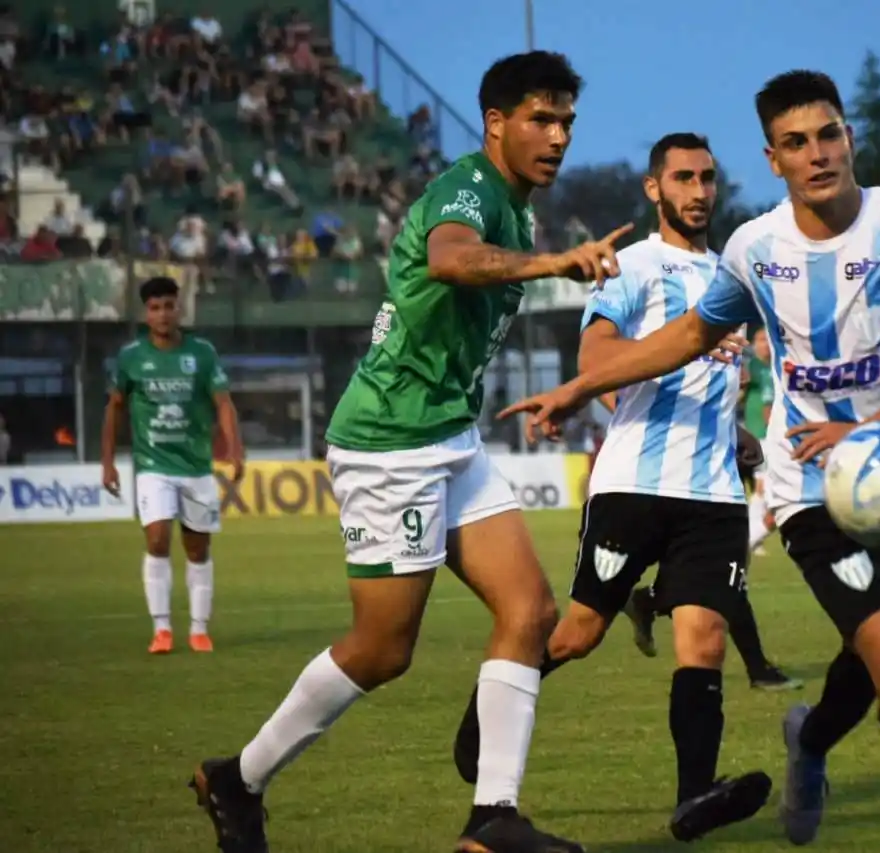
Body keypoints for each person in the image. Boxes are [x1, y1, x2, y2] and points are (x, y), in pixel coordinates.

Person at [498, 70, 880, 853]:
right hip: (810, 488)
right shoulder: (756, 248)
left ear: (850, 140)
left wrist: (870, 434)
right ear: (774, 160)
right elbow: (690, 335)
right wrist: (580, 386)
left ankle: (810, 742)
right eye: (796, 143)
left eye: (828, 135)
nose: (817, 154)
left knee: (875, 665)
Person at [188, 51, 635, 853]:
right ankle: (237, 778)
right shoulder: (468, 190)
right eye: (540, 118)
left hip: (449, 436)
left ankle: (493, 819)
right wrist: (555, 261)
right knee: (384, 649)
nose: (558, 135)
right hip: (392, 442)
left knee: (529, 611)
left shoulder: (517, 204)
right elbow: (450, 257)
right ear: (496, 123)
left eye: (566, 120)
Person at [452, 132, 772, 842]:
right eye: (683, 178)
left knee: (705, 635)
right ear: (655, 189)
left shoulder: (735, 279)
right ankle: (487, 712)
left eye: (708, 178)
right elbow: (595, 357)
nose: (698, 191)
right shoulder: (631, 268)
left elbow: (722, 381)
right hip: (634, 483)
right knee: (578, 631)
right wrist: (610, 382)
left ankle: (695, 795)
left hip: (716, 489)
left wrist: (737, 433)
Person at [101, 275, 244, 655]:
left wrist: (234, 448)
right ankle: (161, 629)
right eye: (154, 307)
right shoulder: (131, 357)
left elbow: (223, 404)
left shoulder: (201, 353)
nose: (163, 314)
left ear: (179, 309)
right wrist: (108, 462)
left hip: (196, 467)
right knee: (158, 537)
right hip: (153, 466)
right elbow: (114, 408)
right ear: (146, 314)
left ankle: (199, 629)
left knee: (197, 549)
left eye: (168, 305)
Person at [620, 422, 803, 692]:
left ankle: (648, 601)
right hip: (692, 470)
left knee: (724, 573)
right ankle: (758, 669)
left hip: (712, 460)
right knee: (727, 573)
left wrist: (733, 429)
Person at [741, 325, 777, 554]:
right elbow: (741, 386)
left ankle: (753, 536)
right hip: (760, 436)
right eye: (760, 340)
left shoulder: (774, 368)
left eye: (767, 339)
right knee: (763, 486)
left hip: (773, 436)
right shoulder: (753, 367)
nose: (764, 344)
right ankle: (751, 537)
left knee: (763, 486)